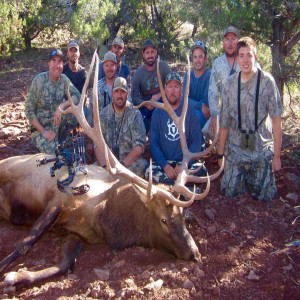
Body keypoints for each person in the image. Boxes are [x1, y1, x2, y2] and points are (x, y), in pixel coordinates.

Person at [217, 37, 283, 201]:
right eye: (241, 55)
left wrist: (277, 157)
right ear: (237, 58)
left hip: (260, 150)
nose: (245, 60)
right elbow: (224, 123)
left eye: (249, 55)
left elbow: (276, 121)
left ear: (256, 57)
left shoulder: (267, 82)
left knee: (265, 197)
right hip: (236, 149)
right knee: (229, 192)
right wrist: (220, 155)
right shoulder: (229, 84)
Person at [145, 72, 206, 185]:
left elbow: (197, 142)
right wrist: (165, 165)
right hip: (165, 162)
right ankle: (180, 188)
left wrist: (184, 164)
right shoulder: (157, 113)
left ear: (181, 91)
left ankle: (169, 187)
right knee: (149, 172)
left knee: (200, 170)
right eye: (170, 86)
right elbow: (153, 143)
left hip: (184, 162)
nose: (173, 90)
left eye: (176, 87)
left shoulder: (190, 112)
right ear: (165, 90)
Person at [25, 48, 81, 154]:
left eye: (59, 61)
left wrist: (61, 107)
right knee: (56, 155)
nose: (57, 65)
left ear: (63, 64)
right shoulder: (39, 80)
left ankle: (68, 137)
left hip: (57, 125)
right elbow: (28, 110)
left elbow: (77, 96)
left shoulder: (64, 79)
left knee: (75, 115)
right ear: (49, 64)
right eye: (53, 61)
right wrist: (43, 131)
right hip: (41, 129)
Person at [94, 77, 147, 177]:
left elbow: (139, 146)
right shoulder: (103, 115)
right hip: (108, 163)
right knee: (91, 173)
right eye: (116, 91)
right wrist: (106, 167)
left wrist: (122, 166)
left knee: (143, 167)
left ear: (127, 94)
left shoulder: (135, 114)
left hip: (128, 163)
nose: (119, 95)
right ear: (112, 94)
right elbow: (97, 145)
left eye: (122, 92)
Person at [131, 39, 171, 132]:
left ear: (156, 52)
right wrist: (145, 103)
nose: (150, 55)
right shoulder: (138, 74)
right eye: (147, 53)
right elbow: (134, 96)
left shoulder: (163, 67)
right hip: (147, 106)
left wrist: (159, 95)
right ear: (143, 54)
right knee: (140, 120)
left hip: (162, 104)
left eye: (152, 52)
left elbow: (173, 85)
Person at [208, 26, 240, 131]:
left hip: (245, 113)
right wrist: (215, 114)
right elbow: (213, 92)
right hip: (224, 113)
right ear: (223, 42)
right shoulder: (218, 63)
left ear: (238, 42)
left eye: (233, 39)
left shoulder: (246, 60)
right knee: (207, 131)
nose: (230, 43)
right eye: (227, 39)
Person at [182, 40, 211, 134]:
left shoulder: (209, 76)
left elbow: (206, 102)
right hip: (191, 111)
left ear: (205, 58)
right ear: (192, 59)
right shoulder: (188, 75)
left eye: (200, 57)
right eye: (195, 57)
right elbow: (184, 98)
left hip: (204, 115)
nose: (197, 60)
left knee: (196, 117)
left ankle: (199, 144)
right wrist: (199, 105)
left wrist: (199, 105)